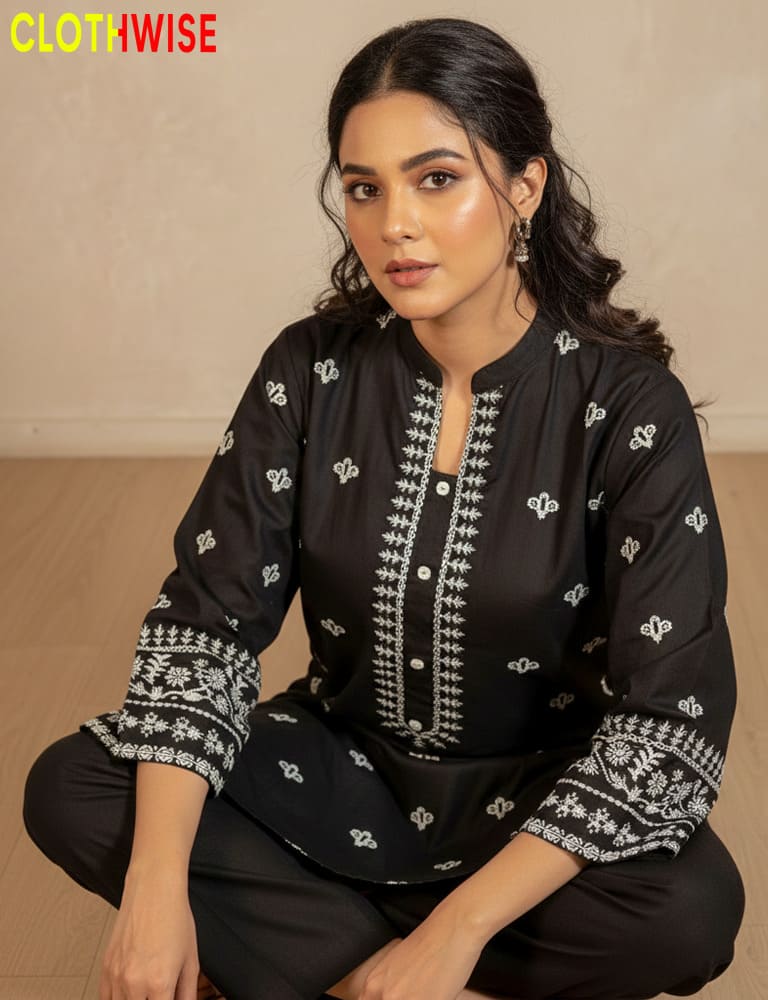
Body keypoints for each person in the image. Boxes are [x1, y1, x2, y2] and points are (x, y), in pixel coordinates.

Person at [22, 15, 744, 1000]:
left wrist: (455, 931)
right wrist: (152, 894)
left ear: (524, 186)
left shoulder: (627, 406)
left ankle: (344, 956)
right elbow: (206, 631)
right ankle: (376, 976)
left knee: (689, 910)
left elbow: (669, 721)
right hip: (334, 768)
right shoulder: (310, 370)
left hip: (534, 801)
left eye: (437, 178)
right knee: (77, 787)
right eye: (365, 187)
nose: (393, 223)